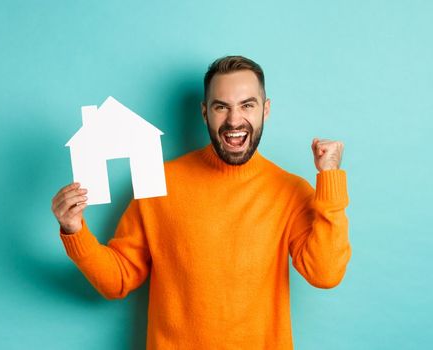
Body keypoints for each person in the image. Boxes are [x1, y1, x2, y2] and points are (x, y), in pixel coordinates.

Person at [50, 55, 350, 349]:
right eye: (222, 107)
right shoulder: (159, 183)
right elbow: (117, 281)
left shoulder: (289, 191)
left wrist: (329, 179)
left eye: (247, 105)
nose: (234, 119)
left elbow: (324, 274)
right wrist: (74, 231)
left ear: (265, 110)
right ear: (205, 112)